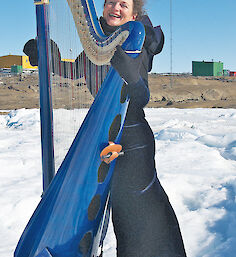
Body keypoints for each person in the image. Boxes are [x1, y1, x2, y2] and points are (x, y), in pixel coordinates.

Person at [24, 0, 187, 256]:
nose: (116, 7)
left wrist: (129, 73)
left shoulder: (137, 43)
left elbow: (141, 95)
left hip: (132, 142)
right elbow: (73, 70)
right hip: (108, 135)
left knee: (136, 222)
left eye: (123, 4)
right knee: (122, 220)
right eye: (111, 1)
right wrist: (48, 56)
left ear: (134, 14)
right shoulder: (100, 45)